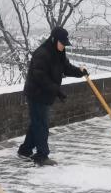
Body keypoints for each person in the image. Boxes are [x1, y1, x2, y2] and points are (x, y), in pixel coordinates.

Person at [18, 26, 87, 166]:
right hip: (36, 94)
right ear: (54, 40)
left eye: (65, 44)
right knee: (41, 124)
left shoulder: (58, 52)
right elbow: (40, 77)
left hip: (46, 93)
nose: (63, 46)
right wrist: (56, 90)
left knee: (37, 123)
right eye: (62, 43)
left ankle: (25, 150)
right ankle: (42, 155)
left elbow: (66, 67)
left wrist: (80, 72)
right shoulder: (42, 53)